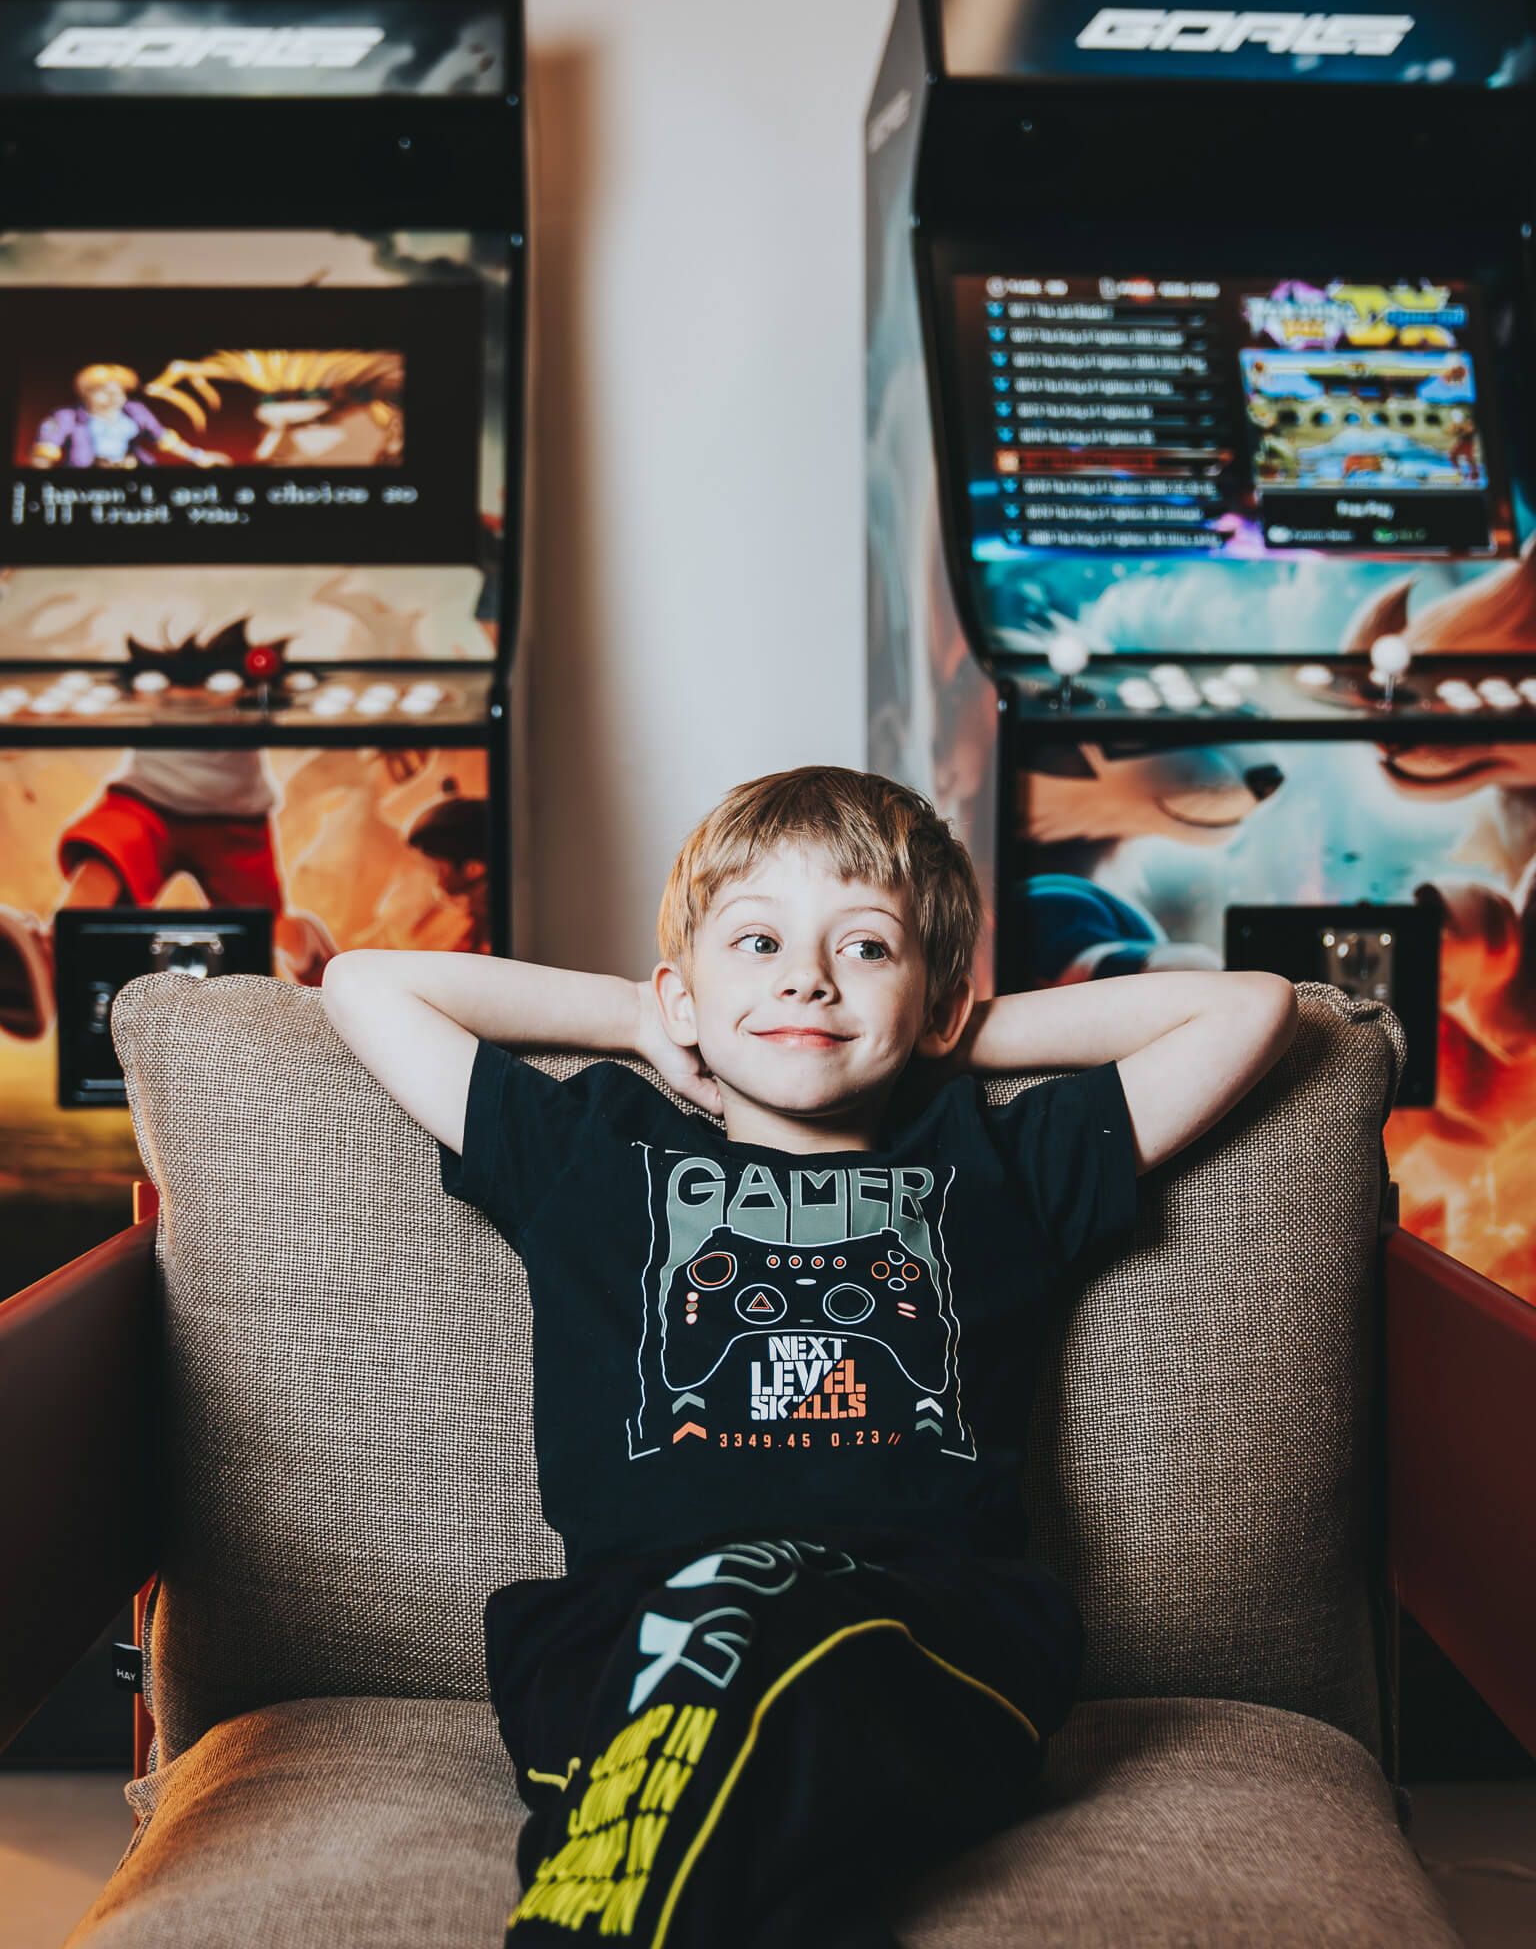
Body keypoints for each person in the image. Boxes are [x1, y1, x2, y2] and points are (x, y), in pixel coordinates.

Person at [321, 766, 1297, 1948]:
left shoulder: (997, 1166)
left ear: (936, 1000)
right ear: (687, 993)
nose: (807, 976)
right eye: (760, 939)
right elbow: (365, 982)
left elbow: (1252, 1007)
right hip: (623, 1636)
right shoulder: (593, 1155)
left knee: (767, 1615)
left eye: (868, 948)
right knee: (746, 1699)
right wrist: (636, 1015)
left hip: (934, 1639)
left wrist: (954, 1030)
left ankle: (603, 1898)